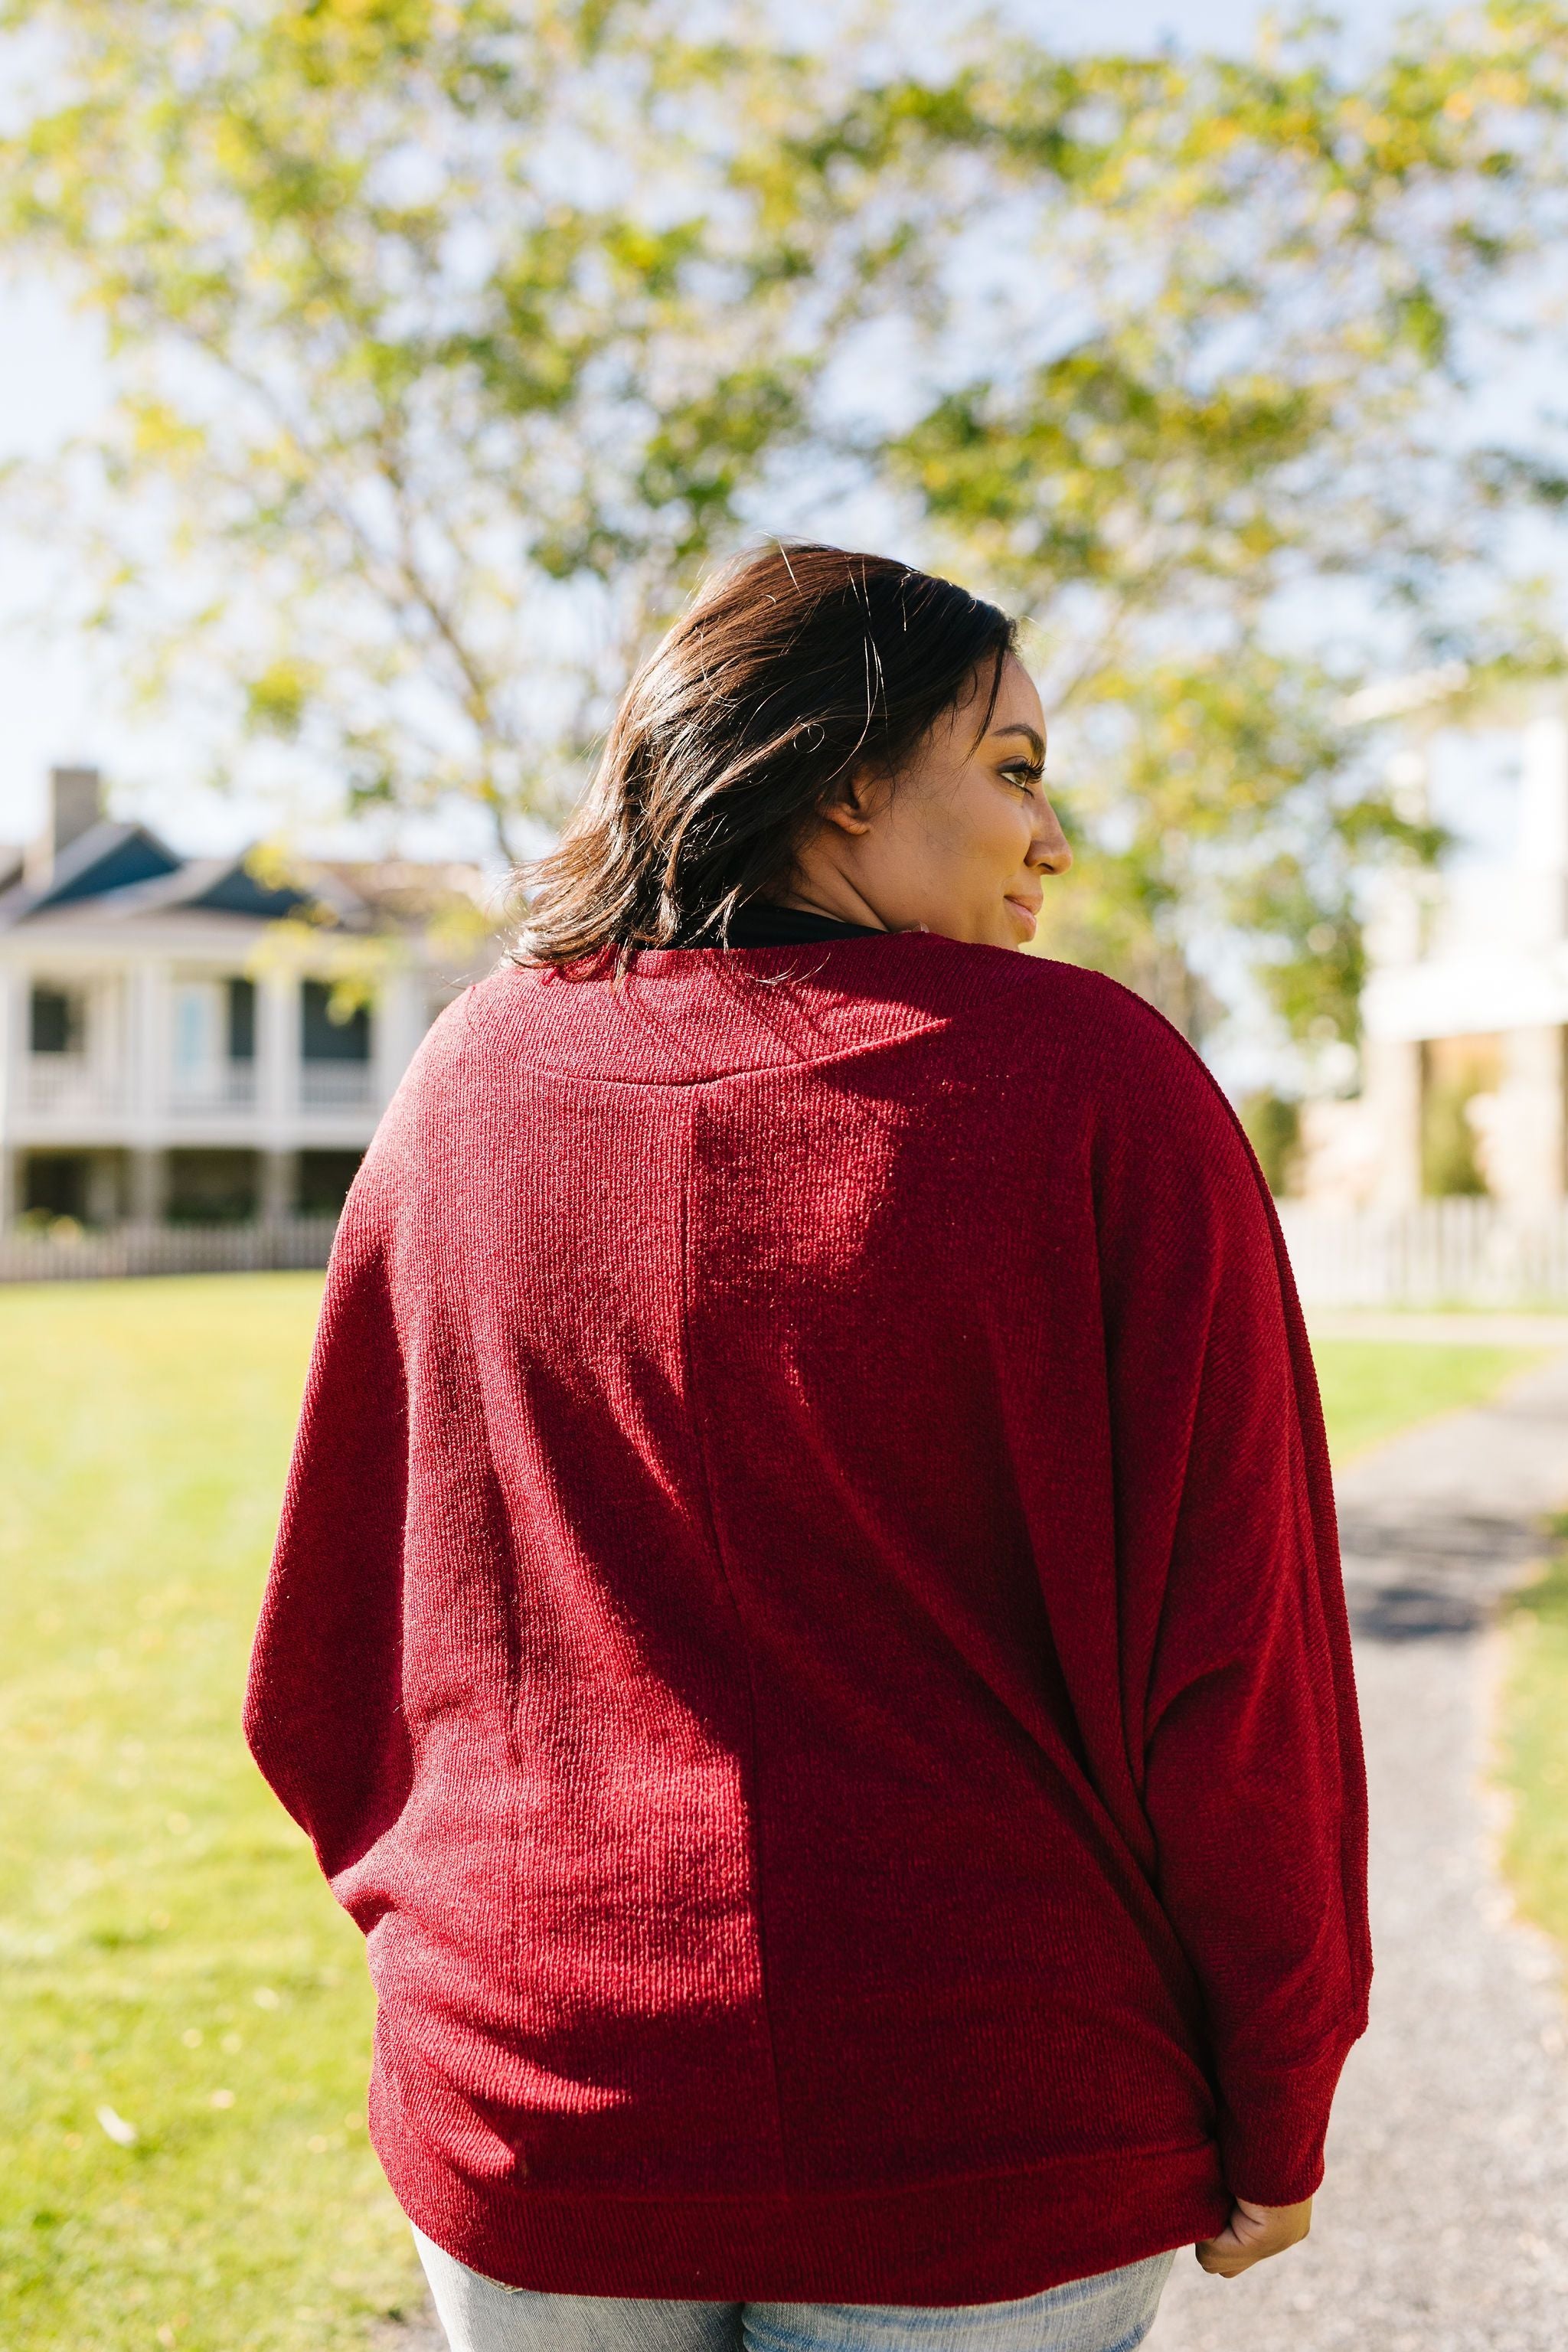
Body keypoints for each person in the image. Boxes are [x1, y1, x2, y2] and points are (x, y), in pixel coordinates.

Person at [244, 542, 1370, 2352]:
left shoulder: (466, 1082)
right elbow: (1236, 1675)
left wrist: (472, 1957)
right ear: (844, 776)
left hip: (541, 2101)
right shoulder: (1103, 1084)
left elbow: (326, 1659)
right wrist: (1282, 2076)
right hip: (996, 2118)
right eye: (1011, 768)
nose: (1051, 840)